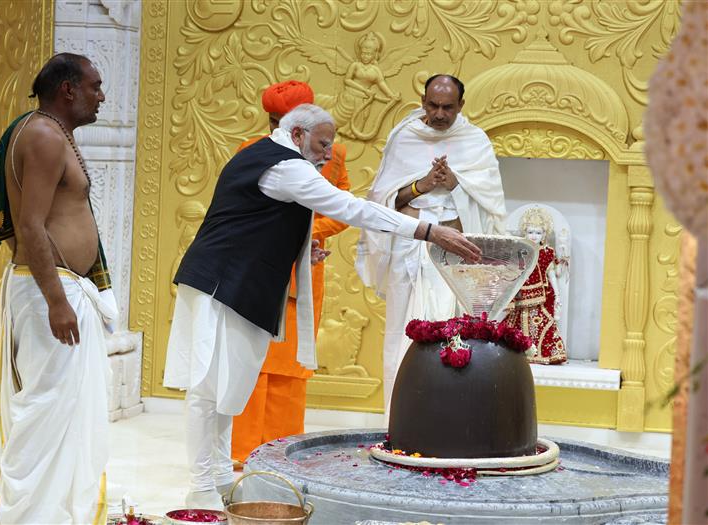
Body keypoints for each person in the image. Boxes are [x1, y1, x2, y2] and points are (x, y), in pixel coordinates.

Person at [163, 103, 482, 509]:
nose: (328, 154)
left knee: (227, 389)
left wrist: (300, 249)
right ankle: (200, 487)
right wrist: (428, 230)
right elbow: (351, 207)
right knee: (208, 390)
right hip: (221, 285)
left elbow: (261, 219)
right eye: (322, 143)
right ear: (297, 135)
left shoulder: (267, 155)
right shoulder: (286, 167)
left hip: (235, 285)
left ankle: (222, 477)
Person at [0, 53, 116, 524]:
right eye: (95, 86)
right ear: (68, 90)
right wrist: (57, 303)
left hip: (57, 289)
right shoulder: (42, 135)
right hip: (49, 296)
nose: (102, 95)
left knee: (62, 413)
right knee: (45, 414)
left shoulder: (52, 133)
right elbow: (31, 226)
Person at [356, 74, 507, 416]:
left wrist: (455, 185)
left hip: (456, 262)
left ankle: (453, 421)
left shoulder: (475, 141)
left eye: (447, 107)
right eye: (433, 105)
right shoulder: (404, 137)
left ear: (461, 106)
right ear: (423, 102)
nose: (439, 114)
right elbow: (383, 202)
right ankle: (403, 421)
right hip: (410, 256)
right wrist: (421, 186)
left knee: (456, 336)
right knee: (403, 337)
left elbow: (493, 209)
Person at [230, 81, 351, 467]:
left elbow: (342, 210)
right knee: (250, 361)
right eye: (271, 122)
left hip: (303, 273)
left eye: (284, 124)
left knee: (290, 367)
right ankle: (238, 454)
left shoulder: (332, 153)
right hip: (256, 272)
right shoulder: (251, 151)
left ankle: (280, 453)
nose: (276, 132)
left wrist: (305, 235)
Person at [503, 207, 567, 365]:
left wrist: (558, 295)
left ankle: (540, 353)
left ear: (544, 235)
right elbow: (514, 272)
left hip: (542, 294)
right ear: (525, 232)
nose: (534, 236)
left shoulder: (547, 252)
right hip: (521, 293)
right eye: (531, 232)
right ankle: (518, 352)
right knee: (517, 321)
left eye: (538, 233)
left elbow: (551, 274)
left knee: (542, 321)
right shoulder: (520, 250)